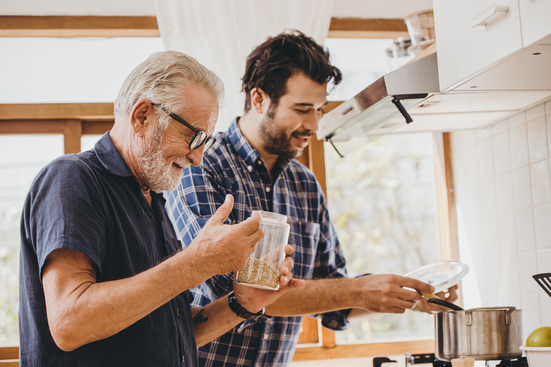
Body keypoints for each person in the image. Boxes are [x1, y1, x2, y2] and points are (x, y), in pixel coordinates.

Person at [165, 31, 458, 367]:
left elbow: (333, 293)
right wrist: (359, 290)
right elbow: (236, 292)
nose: (314, 125)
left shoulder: (304, 184)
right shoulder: (203, 168)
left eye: (320, 109)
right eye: (303, 109)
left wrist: (406, 296)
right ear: (259, 99)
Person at [19, 50, 304, 367]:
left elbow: (173, 333)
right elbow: (70, 323)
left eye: (205, 142)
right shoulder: (72, 179)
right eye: (193, 136)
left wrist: (242, 303)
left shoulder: (153, 201)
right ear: (142, 116)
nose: (197, 158)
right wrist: (197, 263)